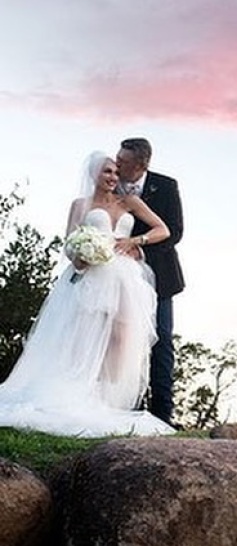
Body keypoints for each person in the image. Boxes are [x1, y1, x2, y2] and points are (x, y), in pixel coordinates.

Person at [0, 152, 176, 437]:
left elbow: (163, 229)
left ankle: (107, 400)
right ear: (94, 174)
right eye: (107, 172)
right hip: (91, 275)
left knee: (121, 338)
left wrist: (134, 240)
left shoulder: (128, 202)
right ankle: (79, 392)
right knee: (84, 335)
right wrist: (80, 256)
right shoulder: (80, 204)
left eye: (116, 173)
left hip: (124, 278)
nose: (113, 177)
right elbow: (70, 240)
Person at [115, 137, 184, 426]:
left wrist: (139, 248)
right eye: (116, 159)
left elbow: (175, 232)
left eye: (123, 162)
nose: (116, 165)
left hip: (158, 276)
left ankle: (162, 415)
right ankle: (125, 405)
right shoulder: (108, 183)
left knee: (161, 340)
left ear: (141, 165)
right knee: (121, 340)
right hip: (117, 277)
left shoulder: (166, 186)